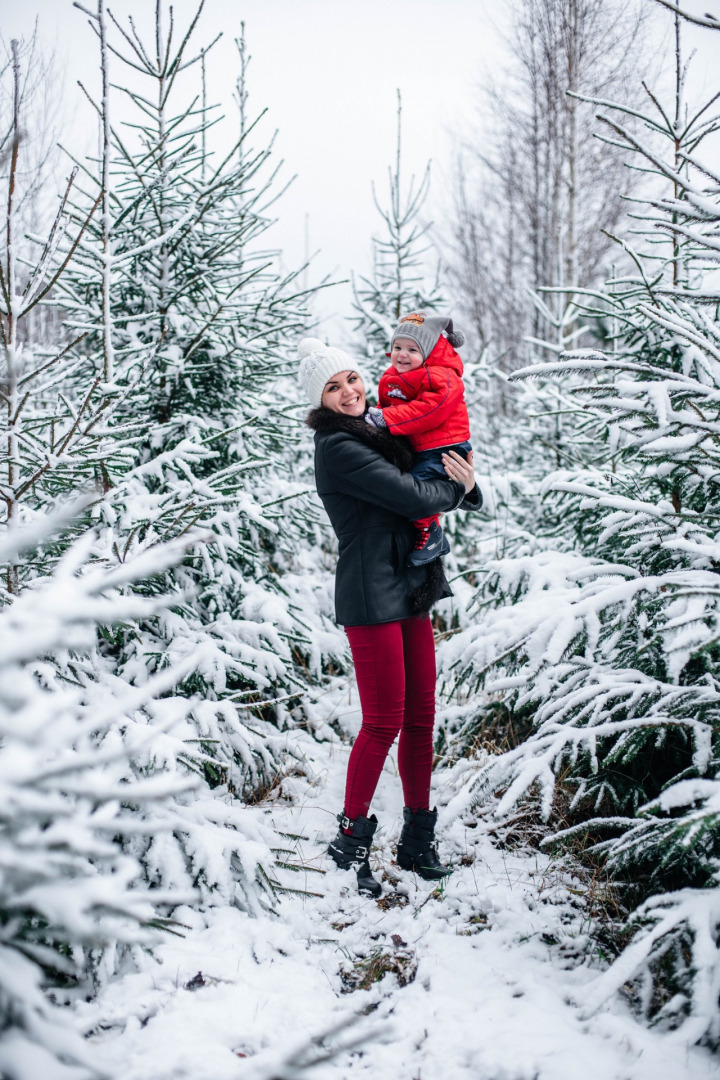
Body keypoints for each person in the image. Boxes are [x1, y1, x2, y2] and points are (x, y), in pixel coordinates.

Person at [298, 337, 482, 897]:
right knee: (384, 720)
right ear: (321, 401)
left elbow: (438, 456)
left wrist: (465, 486)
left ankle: (416, 840)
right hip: (370, 593)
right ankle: (349, 843)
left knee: (422, 714)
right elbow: (412, 495)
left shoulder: (381, 428)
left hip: (409, 582)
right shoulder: (338, 447)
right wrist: (457, 486)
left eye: (352, 378)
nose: (349, 391)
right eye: (334, 387)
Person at [365, 313, 472, 566]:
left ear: (429, 352)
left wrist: (386, 419)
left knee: (418, 489)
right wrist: (376, 420)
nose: (402, 354)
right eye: (397, 347)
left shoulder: (442, 376)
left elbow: (431, 410)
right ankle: (425, 531)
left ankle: (431, 533)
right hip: (422, 446)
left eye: (412, 349)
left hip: (444, 446)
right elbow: (387, 406)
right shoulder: (394, 376)